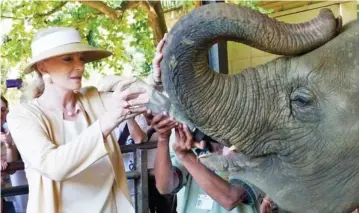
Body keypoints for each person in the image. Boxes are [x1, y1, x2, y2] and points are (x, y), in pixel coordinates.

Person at [6, 26, 150, 213]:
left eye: (81, 58)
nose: (80, 66)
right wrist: (107, 122)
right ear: (42, 66)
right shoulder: (23, 116)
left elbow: (141, 96)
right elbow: (54, 166)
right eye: (68, 59)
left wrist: (155, 78)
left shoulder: (92, 99)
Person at [145, 35, 259, 213]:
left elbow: (230, 198)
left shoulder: (251, 143)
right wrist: (162, 139)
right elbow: (165, 186)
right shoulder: (191, 139)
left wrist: (187, 157)